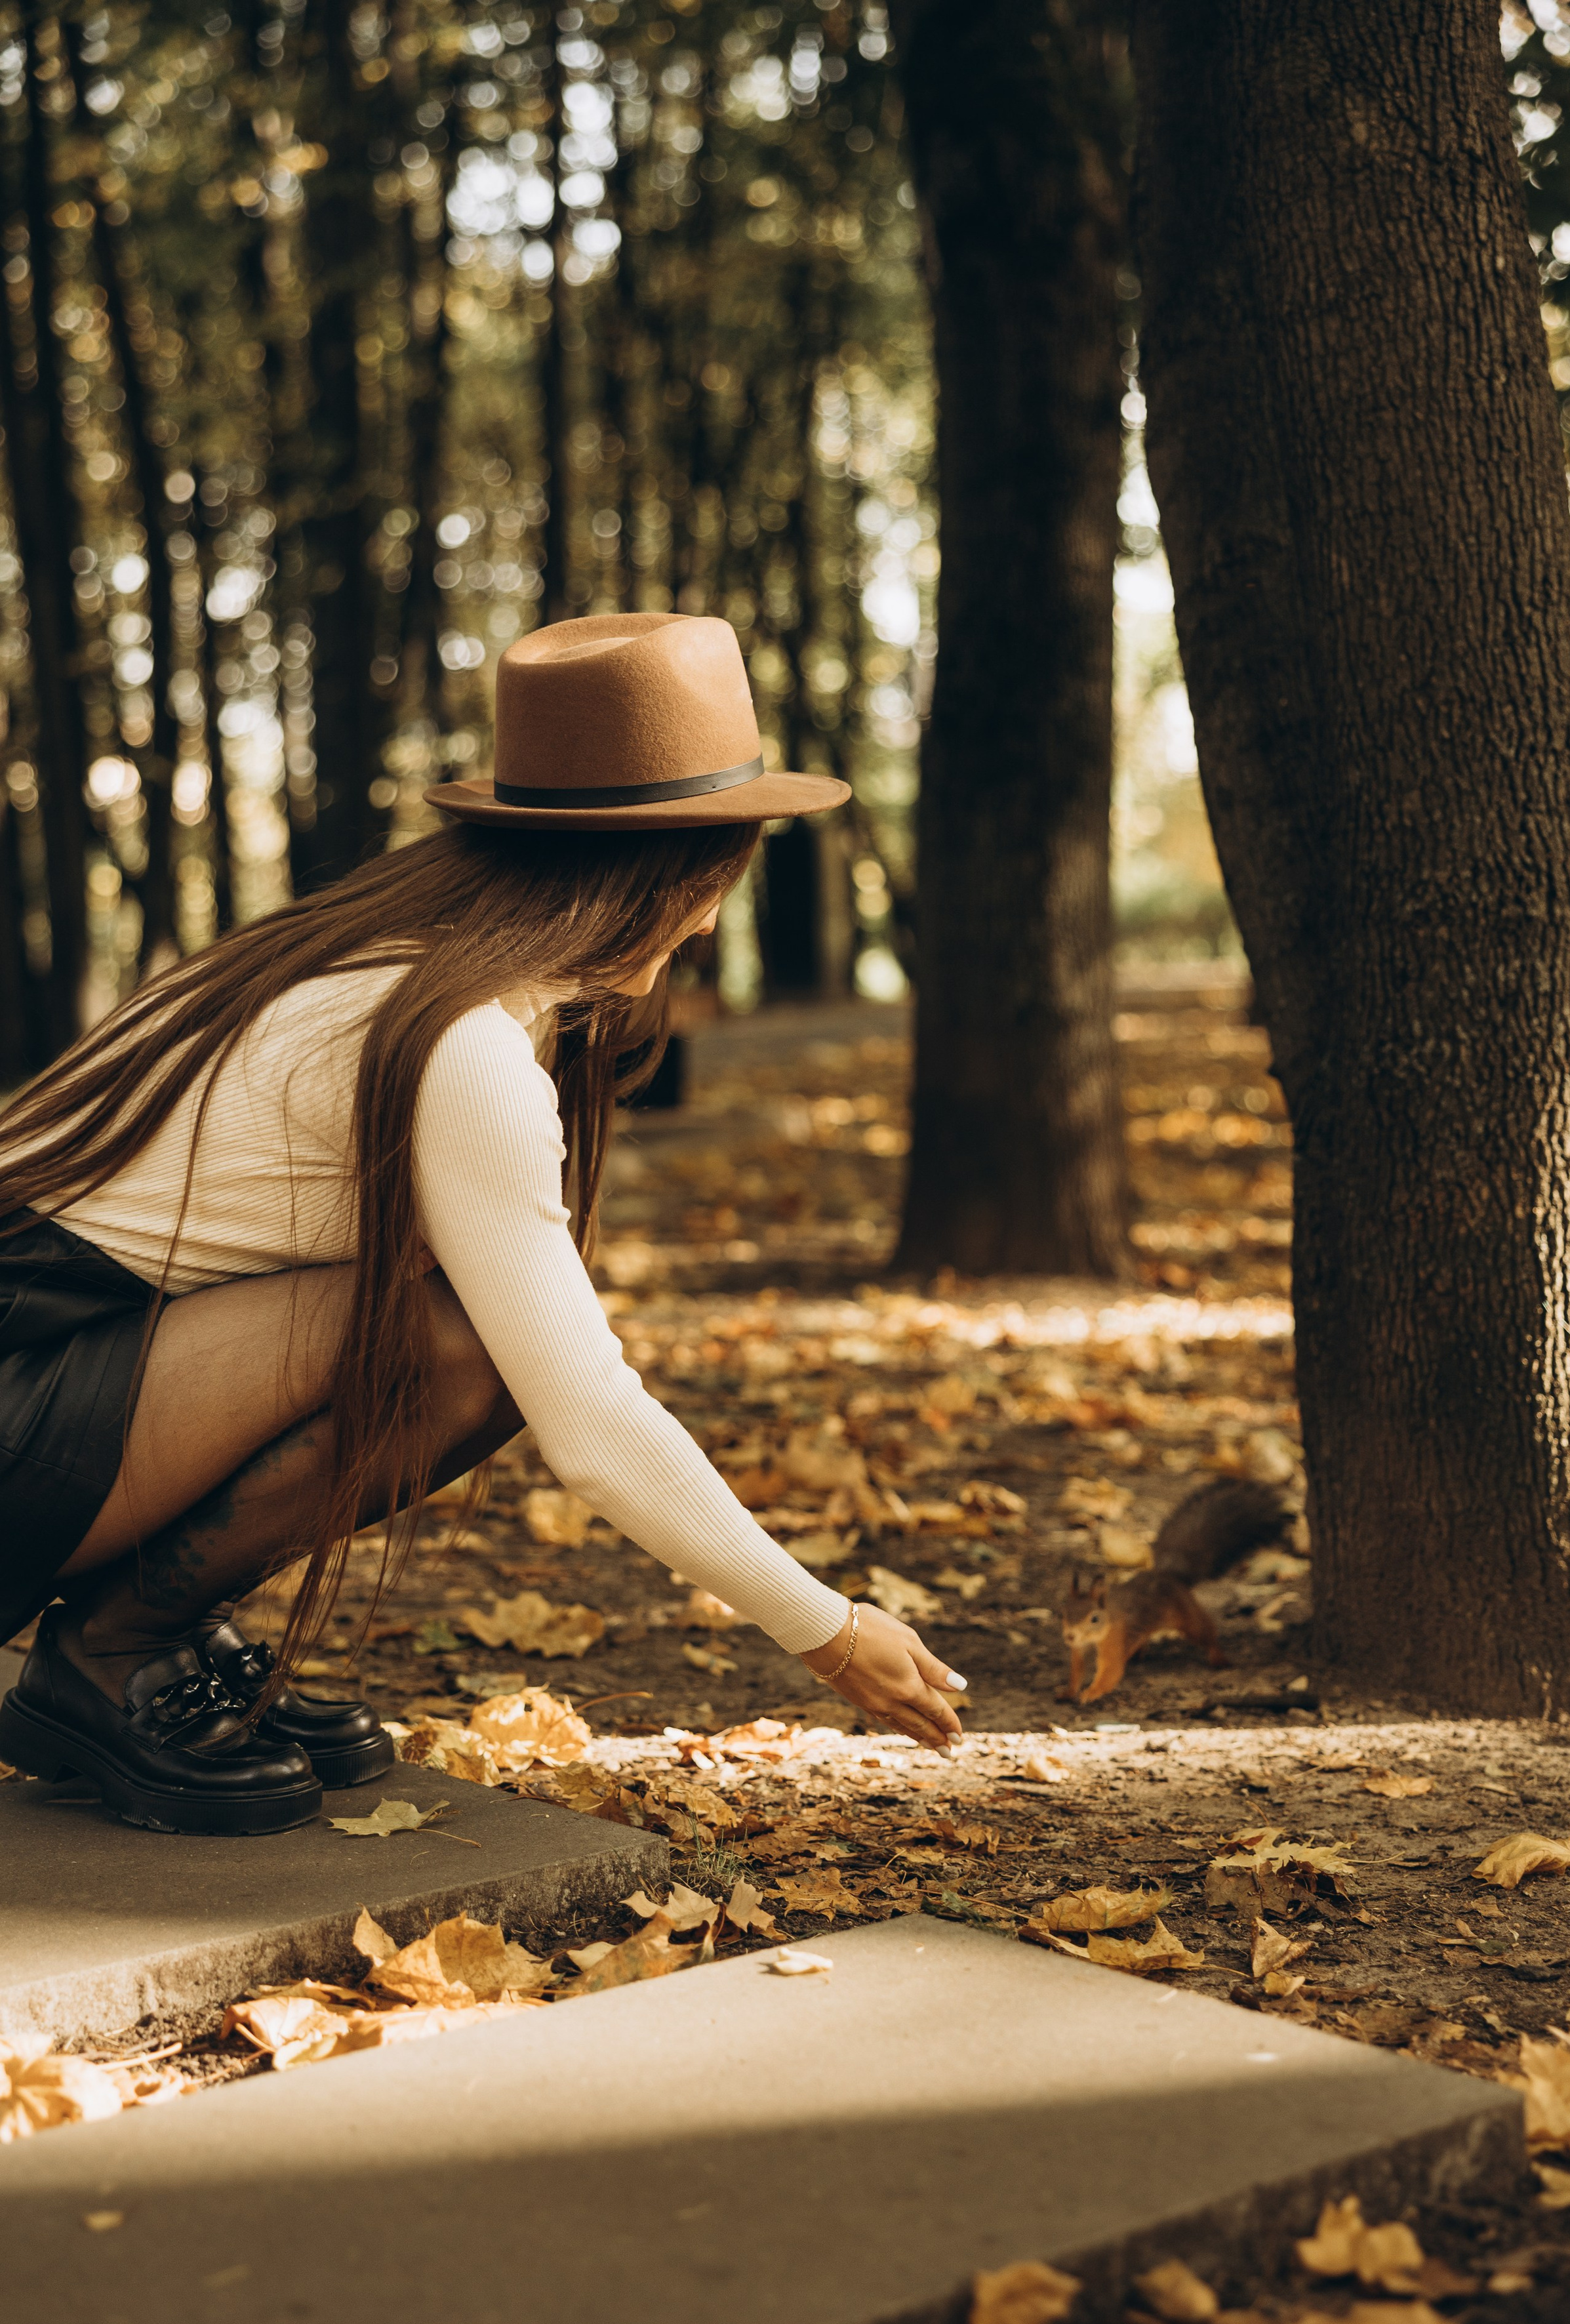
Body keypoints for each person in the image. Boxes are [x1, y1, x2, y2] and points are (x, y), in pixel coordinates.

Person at [0, 613, 965, 1835]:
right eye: (723, 879)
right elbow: (591, 1418)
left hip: (39, 1378)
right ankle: (113, 1654)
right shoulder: (456, 1041)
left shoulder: (368, 956)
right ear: (665, 874)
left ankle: (149, 1634)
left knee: (443, 1325)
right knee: (459, 1348)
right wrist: (826, 1630)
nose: (714, 923)